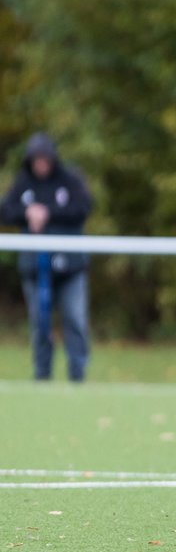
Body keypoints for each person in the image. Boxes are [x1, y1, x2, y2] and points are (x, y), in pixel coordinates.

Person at [0, 133, 94, 382]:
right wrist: (27, 213)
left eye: (44, 159)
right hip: (35, 266)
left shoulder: (69, 180)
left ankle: (78, 373)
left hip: (71, 267)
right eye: (36, 160)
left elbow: (84, 208)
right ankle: (42, 375)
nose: (40, 164)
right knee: (39, 323)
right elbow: (5, 210)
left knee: (75, 319)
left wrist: (48, 213)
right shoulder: (24, 183)